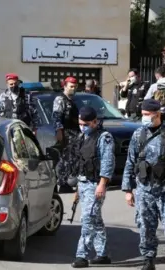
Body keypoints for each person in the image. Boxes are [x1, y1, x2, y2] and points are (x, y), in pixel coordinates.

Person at [122, 99, 165, 270]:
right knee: (145, 226)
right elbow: (130, 162)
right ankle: (148, 259)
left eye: (147, 115)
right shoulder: (138, 134)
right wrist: (128, 189)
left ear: (157, 114)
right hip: (145, 189)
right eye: (143, 114)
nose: (144, 118)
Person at [71, 106, 115, 268]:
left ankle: (81, 255)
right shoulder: (83, 137)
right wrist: (78, 188)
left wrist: (102, 184)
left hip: (95, 184)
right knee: (95, 220)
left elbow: (107, 163)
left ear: (95, 122)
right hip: (84, 183)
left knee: (88, 219)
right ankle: (102, 254)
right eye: (81, 123)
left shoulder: (104, 138)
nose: (83, 127)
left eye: (86, 124)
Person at [52, 76, 81, 193]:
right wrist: (59, 131)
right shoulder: (60, 99)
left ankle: (69, 181)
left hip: (74, 134)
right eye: (71, 87)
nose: (73, 89)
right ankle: (63, 184)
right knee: (64, 159)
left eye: (75, 87)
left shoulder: (71, 100)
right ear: (65, 86)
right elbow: (56, 116)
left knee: (72, 159)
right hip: (66, 133)